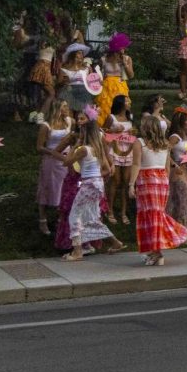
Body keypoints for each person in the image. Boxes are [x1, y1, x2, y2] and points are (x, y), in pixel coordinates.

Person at [61, 108, 124, 260]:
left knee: (74, 216)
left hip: (88, 184)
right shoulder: (97, 148)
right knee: (91, 217)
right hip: (97, 183)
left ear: (85, 133)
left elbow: (66, 162)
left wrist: (75, 146)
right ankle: (115, 242)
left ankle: (77, 252)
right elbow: (108, 169)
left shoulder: (83, 149)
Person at [129, 113, 187, 266]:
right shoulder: (164, 144)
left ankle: (157, 252)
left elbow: (136, 164)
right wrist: (166, 183)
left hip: (147, 180)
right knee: (157, 215)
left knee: (149, 217)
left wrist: (131, 184)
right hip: (161, 181)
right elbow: (166, 167)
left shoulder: (140, 143)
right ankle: (155, 251)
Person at [36, 100, 72, 237]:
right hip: (51, 160)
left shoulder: (68, 121)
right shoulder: (46, 126)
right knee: (47, 188)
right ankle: (42, 220)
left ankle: (61, 219)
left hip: (66, 159)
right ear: (57, 108)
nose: (67, 108)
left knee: (64, 189)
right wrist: (52, 152)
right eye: (64, 106)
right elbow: (39, 147)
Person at [102, 93, 136, 226]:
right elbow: (102, 132)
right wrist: (113, 131)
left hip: (128, 150)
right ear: (120, 103)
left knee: (126, 182)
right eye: (127, 101)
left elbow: (133, 132)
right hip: (114, 150)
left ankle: (123, 212)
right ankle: (109, 210)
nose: (129, 103)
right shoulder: (111, 117)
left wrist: (133, 132)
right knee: (115, 181)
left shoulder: (130, 117)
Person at [95, 33, 133, 125]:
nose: (123, 49)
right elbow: (98, 74)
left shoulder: (127, 59)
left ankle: (121, 125)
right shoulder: (104, 59)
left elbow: (131, 75)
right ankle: (105, 128)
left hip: (120, 87)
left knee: (120, 108)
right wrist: (99, 80)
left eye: (124, 47)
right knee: (105, 107)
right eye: (122, 47)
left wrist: (124, 64)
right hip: (106, 88)